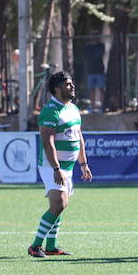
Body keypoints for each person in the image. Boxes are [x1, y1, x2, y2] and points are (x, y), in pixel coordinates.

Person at [28, 71, 92, 257]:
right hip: (51, 166)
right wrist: (56, 168)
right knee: (59, 204)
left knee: (60, 206)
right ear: (57, 89)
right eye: (67, 84)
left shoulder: (73, 108)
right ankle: (35, 246)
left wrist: (83, 163)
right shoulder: (50, 110)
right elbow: (48, 142)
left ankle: (51, 246)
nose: (72, 87)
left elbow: (78, 137)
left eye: (72, 84)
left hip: (69, 167)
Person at [83, 32, 106, 112]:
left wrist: (92, 54)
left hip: (100, 71)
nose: (94, 38)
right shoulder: (87, 46)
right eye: (93, 36)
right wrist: (92, 53)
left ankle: (102, 107)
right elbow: (87, 56)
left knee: (101, 89)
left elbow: (98, 55)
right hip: (90, 71)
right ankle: (92, 108)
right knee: (91, 90)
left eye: (96, 36)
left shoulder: (101, 45)